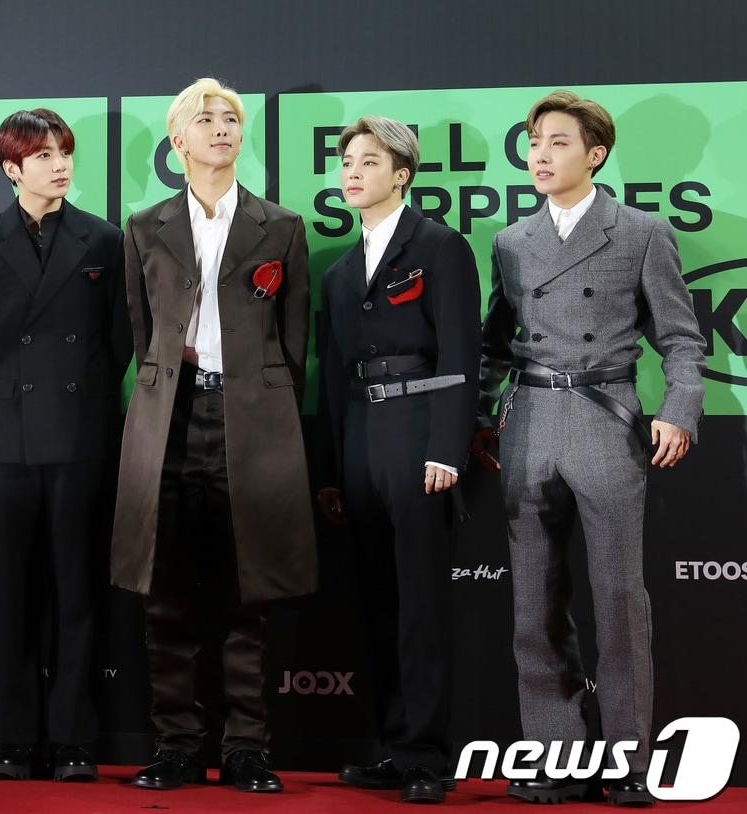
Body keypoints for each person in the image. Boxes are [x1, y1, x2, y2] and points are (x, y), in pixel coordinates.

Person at [477, 90, 705, 807]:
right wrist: (478, 418)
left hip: (607, 418)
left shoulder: (641, 232)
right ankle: (555, 757)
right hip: (529, 421)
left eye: (558, 143)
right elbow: (494, 344)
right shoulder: (512, 241)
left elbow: (682, 339)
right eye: (533, 143)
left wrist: (679, 410)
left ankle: (629, 761)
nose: (540, 156)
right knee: (533, 605)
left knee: (620, 599)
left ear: (595, 154)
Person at [110, 78, 315, 793]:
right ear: (179, 141)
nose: (222, 128)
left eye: (231, 118)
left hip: (252, 423)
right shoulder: (145, 226)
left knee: (245, 593)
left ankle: (247, 749)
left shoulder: (281, 226)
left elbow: (294, 344)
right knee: (165, 593)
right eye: (206, 119)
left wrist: (263, 410)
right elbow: (142, 337)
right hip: (168, 421)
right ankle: (175, 744)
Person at [0, 109, 131, 782]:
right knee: (12, 592)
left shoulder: (104, 239)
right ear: (12, 168)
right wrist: (2, 395)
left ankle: (73, 739)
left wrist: (82, 400)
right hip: (3, 438)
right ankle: (12, 738)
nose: (60, 165)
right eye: (44, 155)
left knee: (77, 591)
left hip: (80, 432)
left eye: (65, 152)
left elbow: (119, 341)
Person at [314, 115, 481, 804]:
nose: (353, 173)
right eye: (347, 162)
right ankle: (390, 746)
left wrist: (447, 448)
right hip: (360, 435)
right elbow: (331, 377)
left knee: (420, 602)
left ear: (402, 174)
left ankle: (425, 757)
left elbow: (462, 353)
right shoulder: (338, 272)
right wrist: (332, 471)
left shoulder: (440, 246)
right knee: (377, 600)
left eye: (370, 162)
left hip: (419, 432)